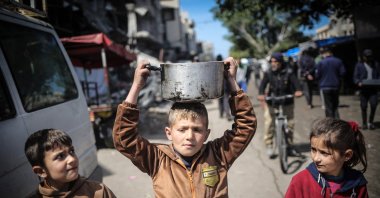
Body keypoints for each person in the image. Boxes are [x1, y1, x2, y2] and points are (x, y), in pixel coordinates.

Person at [112, 57, 257, 197]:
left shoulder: (219, 154)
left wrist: (231, 81)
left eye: (197, 129)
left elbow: (246, 126)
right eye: (182, 129)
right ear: (169, 133)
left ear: (207, 134)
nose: (189, 136)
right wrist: (137, 86)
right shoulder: (157, 159)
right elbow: (124, 139)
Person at [285, 118, 368, 197]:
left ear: (347, 155)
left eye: (324, 153)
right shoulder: (300, 181)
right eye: (313, 150)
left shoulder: (357, 185)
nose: (316, 158)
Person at [24, 129, 116, 198]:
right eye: (60, 156)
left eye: (72, 151)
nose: (72, 159)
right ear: (40, 171)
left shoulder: (98, 192)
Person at [258, 52, 303, 158]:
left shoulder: (289, 72)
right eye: (272, 62)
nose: (273, 63)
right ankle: (269, 145)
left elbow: (297, 84)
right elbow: (262, 85)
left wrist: (298, 91)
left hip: (287, 100)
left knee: (290, 124)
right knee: (269, 123)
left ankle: (289, 146)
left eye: (275, 61)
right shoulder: (268, 72)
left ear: (281, 62)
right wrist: (260, 94)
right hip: (272, 101)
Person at [315, 47, 346, 118]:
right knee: (335, 106)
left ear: (324, 54)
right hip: (336, 86)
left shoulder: (321, 63)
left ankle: (330, 123)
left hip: (325, 87)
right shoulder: (338, 61)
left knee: (328, 106)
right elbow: (343, 73)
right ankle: (337, 122)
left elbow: (317, 75)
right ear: (331, 53)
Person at [354, 49, 380, 130]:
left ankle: (370, 122)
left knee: (374, 105)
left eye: (370, 56)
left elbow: (379, 75)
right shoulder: (359, 65)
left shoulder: (376, 64)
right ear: (364, 57)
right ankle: (364, 123)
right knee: (364, 106)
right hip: (364, 89)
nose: (369, 58)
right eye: (367, 56)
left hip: (373, 89)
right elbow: (355, 77)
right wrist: (358, 82)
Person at [216, 54, 233, 120]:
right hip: (225, 86)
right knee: (226, 101)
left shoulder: (214, 67)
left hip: (218, 88)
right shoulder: (224, 65)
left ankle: (221, 113)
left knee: (220, 101)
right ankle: (227, 115)